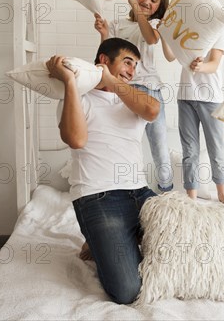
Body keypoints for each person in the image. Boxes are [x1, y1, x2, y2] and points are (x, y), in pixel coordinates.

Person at [46, 38, 159, 304]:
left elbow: (152, 110)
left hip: (141, 194)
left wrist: (112, 80)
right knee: (128, 290)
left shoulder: (131, 98)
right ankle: (100, 242)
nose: (132, 71)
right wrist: (69, 81)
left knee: (183, 246)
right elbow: (76, 140)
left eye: (136, 66)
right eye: (127, 62)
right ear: (104, 61)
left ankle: (103, 243)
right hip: (100, 198)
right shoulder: (77, 99)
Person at [163, 0, 224, 208]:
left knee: (216, 148)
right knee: (190, 150)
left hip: (210, 98)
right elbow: (169, 56)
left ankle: (222, 193)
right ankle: (191, 197)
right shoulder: (184, 26)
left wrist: (200, 65)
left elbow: (214, 64)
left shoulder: (220, 29)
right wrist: (163, 34)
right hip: (185, 96)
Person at [94, 0, 173, 192]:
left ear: (159, 6)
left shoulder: (156, 25)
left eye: (153, 0)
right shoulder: (119, 24)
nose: (147, 2)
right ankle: (125, 190)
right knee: (122, 145)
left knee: (159, 147)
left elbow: (150, 39)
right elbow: (109, 56)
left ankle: (166, 192)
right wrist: (103, 34)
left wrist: (134, 4)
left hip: (149, 91)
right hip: (122, 91)